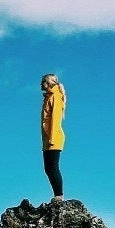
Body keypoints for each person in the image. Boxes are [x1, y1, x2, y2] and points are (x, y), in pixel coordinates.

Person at [41, 73, 66, 201]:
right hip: (48, 139)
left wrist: (52, 138)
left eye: (43, 82)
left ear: (50, 82)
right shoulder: (48, 97)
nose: (41, 84)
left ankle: (59, 195)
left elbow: (55, 119)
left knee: (52, 167)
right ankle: (57, 194)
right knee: (48, 168)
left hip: (54, 138)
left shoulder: (55, 96)